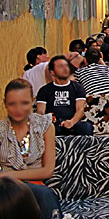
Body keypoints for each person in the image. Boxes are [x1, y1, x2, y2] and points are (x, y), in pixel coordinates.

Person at [0, 79, 61, 219]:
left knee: (42, 193)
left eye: (24, 103)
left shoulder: (44, 125)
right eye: (12, 104)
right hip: (5, 188)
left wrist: (7, 175)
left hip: (35, 185)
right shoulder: (1, 130)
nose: (19, 110)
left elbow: (48, 170)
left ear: (33, 101)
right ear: (5, 103)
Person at [36, 55, 94, 136]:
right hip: (53, 124)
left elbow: (80, 110)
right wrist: (49, 120)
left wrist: (71, 122)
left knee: (87, 127)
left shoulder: (77, 87)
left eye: (66, 66)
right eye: (60, 66)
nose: (65, 69)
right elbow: (40, 113)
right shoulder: (44, 90)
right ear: (52, 72)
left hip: (72, 123)